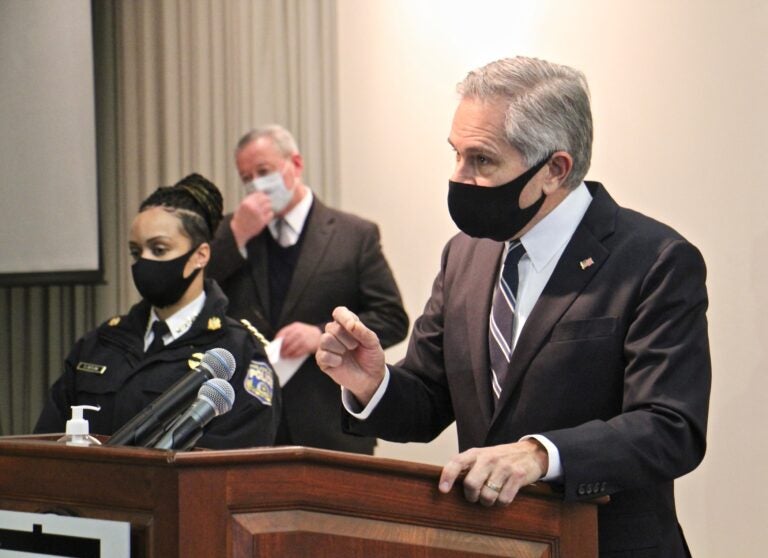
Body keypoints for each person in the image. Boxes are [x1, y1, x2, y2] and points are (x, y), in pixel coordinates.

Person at [317, 57, 711, 557]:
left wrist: (540, 455)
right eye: (456, 155)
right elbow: (429, 400)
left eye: (482, 161)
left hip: (604, 545)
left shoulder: (654, 259)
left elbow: (669, 427)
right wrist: (372, 384)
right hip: (494, 544)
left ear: (555, 169)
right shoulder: (466, 252)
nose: (459, 177)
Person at [35, 173, 280, 449]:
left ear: (200, 255)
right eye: (136, 252)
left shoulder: (236, 352)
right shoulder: (100, 343)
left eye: (159, 249)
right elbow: (48, 442)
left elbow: (240, 458)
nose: (144, 263)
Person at [208, 125, 408, 455]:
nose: (256, 184)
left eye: (264, 171)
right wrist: (236, 236)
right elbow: (195, 294)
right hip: (247, 425)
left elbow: (391, 318)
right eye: (247, 178)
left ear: (295, 164)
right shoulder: (232, 230)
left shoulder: (354, 235)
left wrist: (321, 336)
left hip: (328, 424)